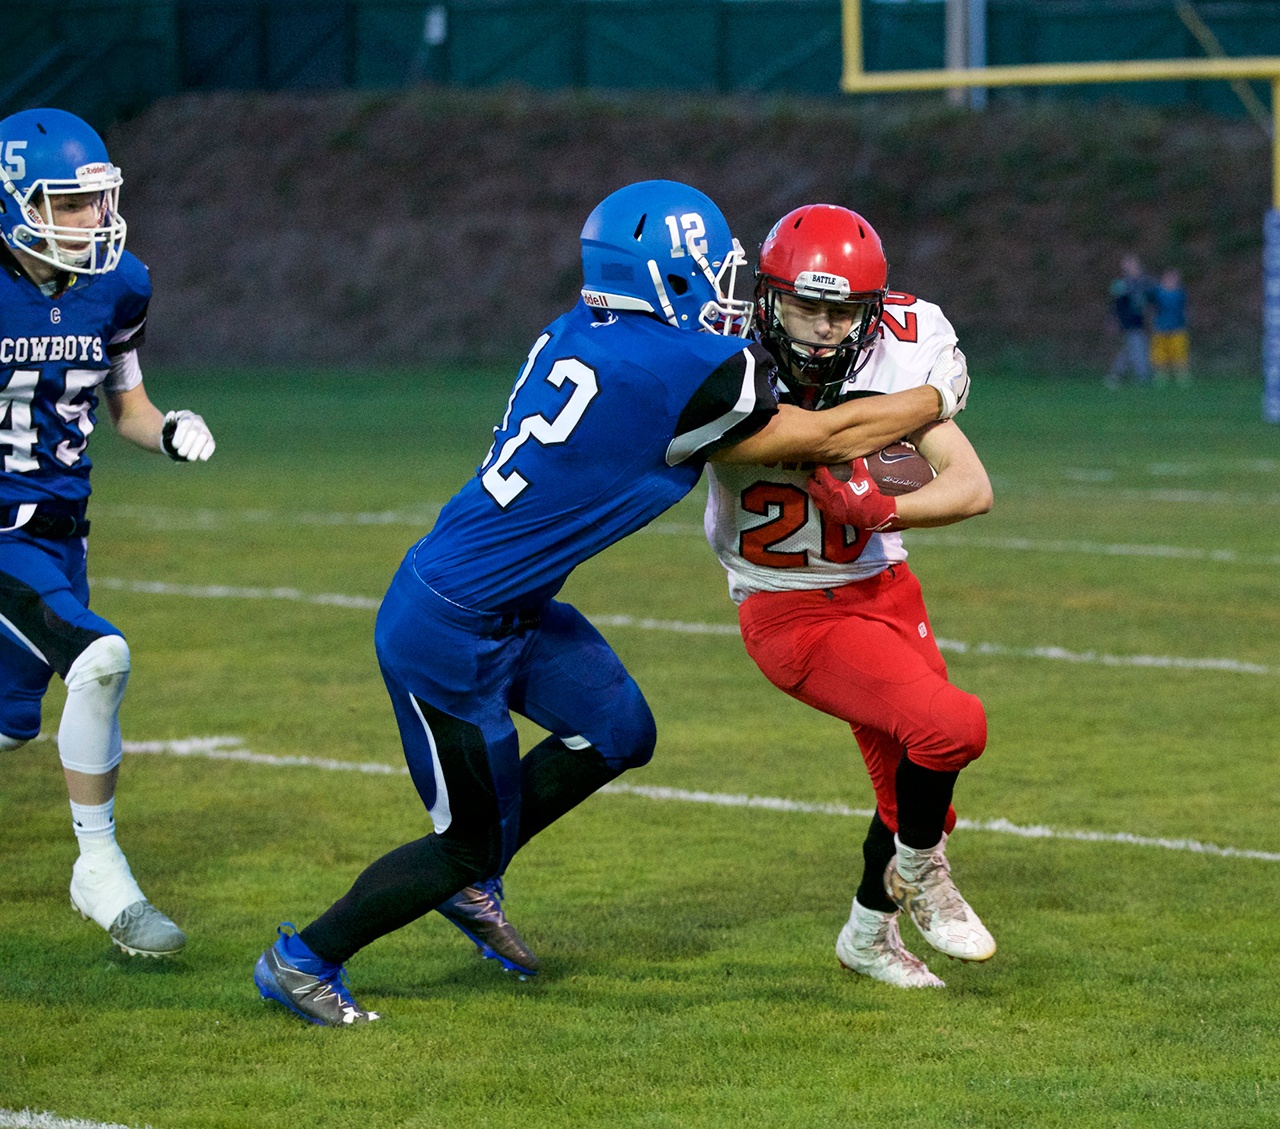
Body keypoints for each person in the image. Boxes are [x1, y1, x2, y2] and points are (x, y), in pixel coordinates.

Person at [253, 179, 972, 1026]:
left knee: (622, 731)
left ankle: (475, 876)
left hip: (510, 603)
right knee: (463, 841)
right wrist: (936, 395)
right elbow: (819, 437)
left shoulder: (583, 331)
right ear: (663, 278)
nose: (725, 292)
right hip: (446, 628)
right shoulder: (676, 369)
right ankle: (303, 960)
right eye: (710, 272)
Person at [704, 204, 995, 989]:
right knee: (953, 726)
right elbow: (821, 438)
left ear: (872, 312)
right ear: (767, 298)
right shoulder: (716, 356)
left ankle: (868, 934)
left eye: (842, 310)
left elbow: (971, 486)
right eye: (806, 304)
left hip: (885, 584)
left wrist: (883, 505)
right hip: (787, 604)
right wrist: (927, 401)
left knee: (918, 786)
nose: (824, 327)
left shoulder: (902, 346)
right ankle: (924, 874)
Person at [0, 108, 217, 957]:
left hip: (62, 536)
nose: (98, 219)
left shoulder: (120, 282)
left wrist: (163, 431)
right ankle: (101, 871)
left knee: (15, 723)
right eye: (72, 203)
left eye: (100, 201)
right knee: (100, 657)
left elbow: (124, 402)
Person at [1106, 253, 1154, 388]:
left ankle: (1114, 375)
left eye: (1133, 264)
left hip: (1139, 321)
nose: (1132, 267)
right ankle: (1143, 376)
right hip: (1127, 322)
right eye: (1128, 265)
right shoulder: (1121, 285)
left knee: (1129, 350)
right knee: (1138, 346)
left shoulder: (1144, 282)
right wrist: (1113, 320)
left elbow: (1150, 299)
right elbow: (1115, 305)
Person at [1149, 267, 1190, 386]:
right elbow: (1152, 307)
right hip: (1161, 328)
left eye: (1173, 278)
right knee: (1160, 354)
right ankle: (1161, 377)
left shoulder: (1180, 293)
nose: (1170, 281)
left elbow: (1185, 309)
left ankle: (1182, 377)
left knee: (1179, 353)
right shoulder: (1158, 293)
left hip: (1178, 328)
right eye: (1168, 278)